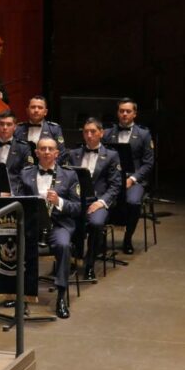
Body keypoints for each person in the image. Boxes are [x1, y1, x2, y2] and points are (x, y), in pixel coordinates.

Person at [17, 137, 80, 319]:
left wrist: (59, 201)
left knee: (63, 245)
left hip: (58, 225)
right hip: (33, 225)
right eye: (42, 149)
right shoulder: (25, 174)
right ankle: (21, 294)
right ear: (36, 153)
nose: (46, 152)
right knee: (17, 244)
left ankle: (61, 296)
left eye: (50, 149)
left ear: (56, 153)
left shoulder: (69, 175)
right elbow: (18, 201)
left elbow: (77, 207)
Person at [68, 118, 122, 280]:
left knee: (96, 223)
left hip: (98, 201)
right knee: (66, 219)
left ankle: (89, 264)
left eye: (93, 131)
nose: (89, 135)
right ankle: (71, 260)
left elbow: (115, 185)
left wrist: (101, 202)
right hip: (76, 200)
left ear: (101, 133)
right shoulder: (73, 154)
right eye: (86, 132)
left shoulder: (111, 155)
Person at [102, 99, 154, 254]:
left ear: (134, 114)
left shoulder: (144, 134)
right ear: (118, 113)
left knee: (133, 202)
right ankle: (100, 239)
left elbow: (148, 163)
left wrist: (132, 179)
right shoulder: (107, 132)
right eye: (121, 111)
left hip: (134, 179)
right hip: (111, 178)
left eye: (128, 111)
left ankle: (127, 238)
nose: (124, 114)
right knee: (98, 197)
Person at [0, 110, 33, 194]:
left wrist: (13, 193)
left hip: (15, 195)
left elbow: (27, 175)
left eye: (9, 124)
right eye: (2, 124)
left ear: (15, 127)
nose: (5, 127)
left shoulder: (23, 148)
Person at [14, 96, 67, 163]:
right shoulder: (18, 129)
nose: (36, 110)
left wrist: (49, 166)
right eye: (33, 107)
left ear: (45, 112)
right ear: (27, 111)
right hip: (22, 168)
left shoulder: (54, 129)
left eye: (40, 107)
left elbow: (61, 153)